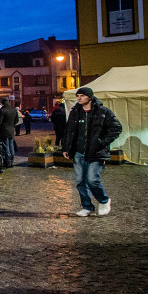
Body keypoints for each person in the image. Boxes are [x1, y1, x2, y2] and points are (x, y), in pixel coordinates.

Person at [61, 86, 123, 217]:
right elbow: (68, 131)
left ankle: (104, 200)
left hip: (96, 152)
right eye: (77, 96)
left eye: (82, 96)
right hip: (78, 152)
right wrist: (66, 148)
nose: (79, 98)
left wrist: (102, 142)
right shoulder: (75, 112)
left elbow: (116, 128)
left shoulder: (103, 111)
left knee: (92, 179)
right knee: (80, 181)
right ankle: (87, 207)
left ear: (89, 97)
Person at [0, 99, 19, 168]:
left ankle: (7, 161)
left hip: (4, 130)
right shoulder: (13, 110)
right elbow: (17, 120)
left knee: (6, 146)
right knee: (11, 146)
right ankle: (11, 160)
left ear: (2, 103)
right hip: (11, 129)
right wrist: (12, 124)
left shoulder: (3, 110)